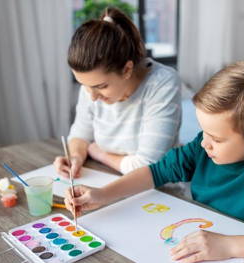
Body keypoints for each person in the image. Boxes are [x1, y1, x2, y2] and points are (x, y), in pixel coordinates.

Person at [63, 61, 244, 263]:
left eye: (215, 138)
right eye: (204, 132)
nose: (204, 143)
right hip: (204, 243)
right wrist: (102, 194)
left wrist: (229, 246)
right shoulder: (205, 148)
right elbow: (158, 171)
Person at [54, 7, 181, 177]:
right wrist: (76, 156)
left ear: (127, 69)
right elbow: (80, 135)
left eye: (101, 87)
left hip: (159, 188)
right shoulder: (91, 85)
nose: (92, 97)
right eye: (83, 85)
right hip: (106, 175)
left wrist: (99, 153)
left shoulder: (162, 83)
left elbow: (149, 167)